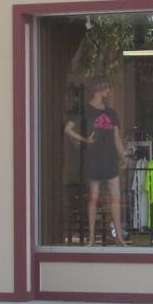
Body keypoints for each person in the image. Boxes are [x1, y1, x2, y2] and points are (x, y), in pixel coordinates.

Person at [64, 75, 128, 246]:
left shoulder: (111, 112)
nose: (108, 90)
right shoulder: (85, 110)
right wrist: (85, 139)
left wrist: (123, 156)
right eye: (106, 87)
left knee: (115, 197)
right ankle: (92, 237)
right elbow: (68, 129)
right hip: (93, 158)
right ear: (99, 89)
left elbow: (116, 138)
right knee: (93, 197)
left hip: (110, 158)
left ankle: (119, 237)